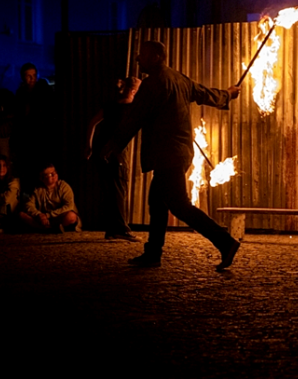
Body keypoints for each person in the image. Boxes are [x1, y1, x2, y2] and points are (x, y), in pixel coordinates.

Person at [102, 40, 241, 271]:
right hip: (179, 152)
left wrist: (112, 145)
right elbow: (204, 93)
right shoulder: (179, 78)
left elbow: (134, 119)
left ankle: (225, 243)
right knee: (157, 203)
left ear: (156, 57)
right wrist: (226, 94)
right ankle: (153, 254)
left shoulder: (153, 84)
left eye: (143, 56)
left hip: (168, 154)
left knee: (179, 205)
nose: (138, 59)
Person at [85, 77, 141, 242]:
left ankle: (111, 230)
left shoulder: (110, 106)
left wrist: (88, 146)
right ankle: (121, 229)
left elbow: (92, 123)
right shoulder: (131, 109)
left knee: (110, 191)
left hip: (100, 151)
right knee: (118, 191)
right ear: (132, 92)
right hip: (114, 154)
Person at [12, 62, 56, 185]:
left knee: (43, 167)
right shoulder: (20, 94)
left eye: (34, 75)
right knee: (30, 170)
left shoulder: (43, 89)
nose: (32, 79)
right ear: (22, 77)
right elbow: (20, 116)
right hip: (28, 139)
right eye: (28, 76)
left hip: (43, 136)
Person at [19, 163, 80, 232]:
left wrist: (48, 215)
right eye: (50, 174)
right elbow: (29, 205)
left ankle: (50, 227)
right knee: (21, 215)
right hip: (44, 219)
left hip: (58, 216)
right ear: (42, 178)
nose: (54, 175)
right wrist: (39, 215)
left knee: (71, 216)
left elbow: (69, 206)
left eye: (54, 173)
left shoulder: (64, 186)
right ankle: (48, 229)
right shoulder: (38, 190)